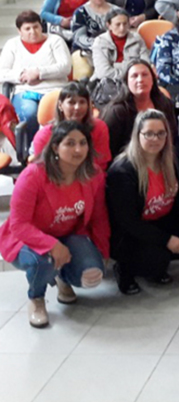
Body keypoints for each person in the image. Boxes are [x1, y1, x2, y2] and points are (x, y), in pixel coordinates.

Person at [0, 121, 108, 328]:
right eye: (70, 143)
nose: (78, 149)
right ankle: (37, 298)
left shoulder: (92, 174)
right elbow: (19, 224)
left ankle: (62, 278)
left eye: (83, 143)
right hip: (24, 239)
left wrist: (103, 250)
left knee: (92, 274)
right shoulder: (33, 175)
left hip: (67, 235)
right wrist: (52, 245)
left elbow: (99, 216)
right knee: (44, 262)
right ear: (56, 147)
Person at [107, 109, 179, 295]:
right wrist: (166, 240)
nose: (155, 139)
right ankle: (127, 268)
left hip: (161, 219)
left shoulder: (173, 158)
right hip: (130, 232)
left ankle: (155, 263)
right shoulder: (122, 171)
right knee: (157, 258)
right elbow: (127, 221)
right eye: (148, 134)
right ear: (137, 135)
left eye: (160, 133)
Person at [0, 11, 72, 131]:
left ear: (41, 26)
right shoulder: (12, 45)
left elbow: (65, 67)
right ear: (19, 31)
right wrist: (22, 75)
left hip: (54, 90)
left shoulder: (55, 41)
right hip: (25, 91)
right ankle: (29, 148)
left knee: (56, 115)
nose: (33, 32)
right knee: (29, 113)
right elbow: (2, 72)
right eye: (27, 29)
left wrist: (39, 72)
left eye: (36, 27)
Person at [101, 59, 176, 158]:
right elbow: (108, 150)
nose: (140, 79)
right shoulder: (117, 112)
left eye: (145, 75)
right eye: (134, 76)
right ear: (126, 82)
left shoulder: (164, 104)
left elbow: (174, 140)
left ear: (153, 80)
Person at [30, 82, 111, 169]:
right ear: (60, 105)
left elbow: (100, 164)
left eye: (82, 102)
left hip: (89, 178)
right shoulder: (44, 135)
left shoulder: (99, 128)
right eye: (71, 102)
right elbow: (42, 169)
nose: (77, 107)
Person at [91, 8, 147, 82]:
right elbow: (103, 73)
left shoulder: (137, 39)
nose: (122, 28)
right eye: (118, 24)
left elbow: (146, 65)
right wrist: (128, 70)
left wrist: (115, 66)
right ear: (109, 25)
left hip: (135, 81)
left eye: (125, 24)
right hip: (107, 82)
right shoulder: (100, 42)